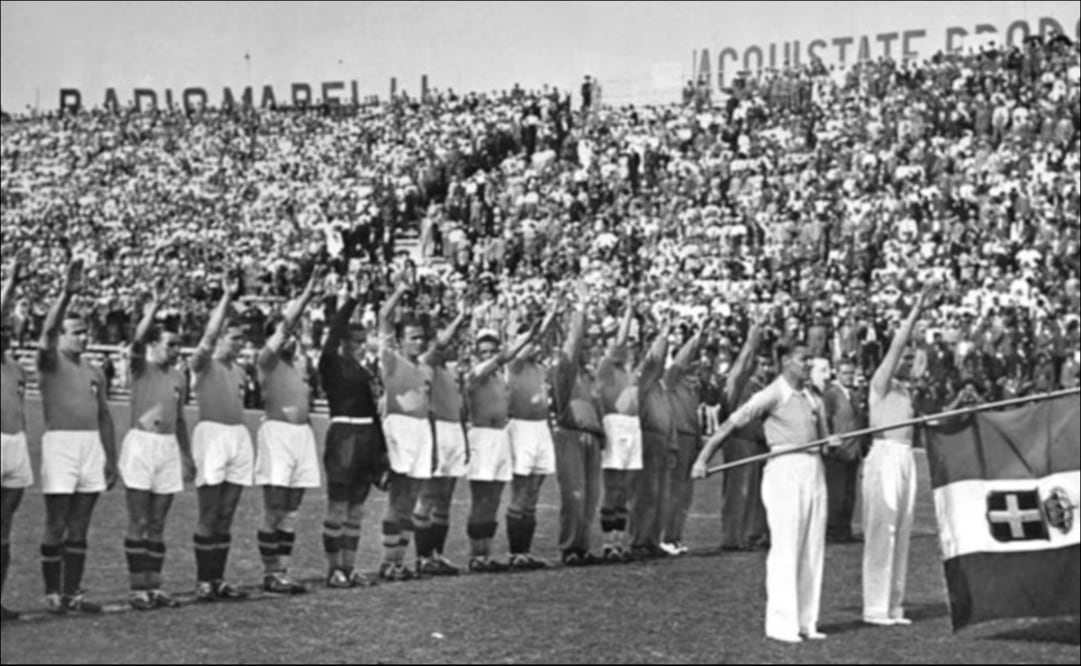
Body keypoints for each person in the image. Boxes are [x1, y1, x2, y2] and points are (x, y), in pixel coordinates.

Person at [693, 341, 840, 643]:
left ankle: (806, 622)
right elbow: (730, 424)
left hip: (814, 468)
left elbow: (823, 439)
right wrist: (702, 459)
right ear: (785, 361)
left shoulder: (814, 398)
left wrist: (830, 442)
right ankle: (781, 624)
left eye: (810, 359)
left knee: (812, 546)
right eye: (802, 359)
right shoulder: (771, 394)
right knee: (786, 545)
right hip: (784, 469)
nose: (807, 364)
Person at [37, 258, 118, 614]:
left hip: (90, 447)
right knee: (56, 520)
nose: (82, 337)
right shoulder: (50, 361)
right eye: (75, 332)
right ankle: (53, 591)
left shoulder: (95, 372)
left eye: (85, 332)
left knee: (81, 524)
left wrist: (111, 459)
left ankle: (73, 591)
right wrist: (67, 294)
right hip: (61, 444)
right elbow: (47, 331)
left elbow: (104, 416)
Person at [120, 277, 194, 610]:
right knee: (139, 519)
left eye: (179, 345)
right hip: (141, 445)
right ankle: (138, 589)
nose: (175, 351)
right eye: (170, 344)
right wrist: (154, 308)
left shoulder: (179, 376)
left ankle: (154, 585)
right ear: (154, 345)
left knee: (159, 522)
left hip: (166, 447)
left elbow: (179, 419)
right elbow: (136, 338)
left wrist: (187, 455)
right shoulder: (140, 366)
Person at [862, 285, 932, 626]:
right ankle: (875, 607)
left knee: (902, 531)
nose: (906, 362)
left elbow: (919, 358)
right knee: (883, 531)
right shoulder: (881, 383)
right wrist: (916, 309)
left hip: (905, 458)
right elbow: (897, 346)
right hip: (884, 457)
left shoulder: (905, 390)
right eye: (901, 359)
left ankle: (894, 605)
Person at [254, 267, 326, 595]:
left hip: (301, 436)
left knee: (292, 510)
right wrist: (308, 294)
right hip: (278, 435)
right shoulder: (266, 362)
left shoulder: (299, 368)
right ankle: (271, 572)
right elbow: (286, 326)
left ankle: (282, 570)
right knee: (275, 506)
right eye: (286, 336)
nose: (291, 339)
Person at [318, 269, 387, 589]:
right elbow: (332, 332)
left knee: (357, 509)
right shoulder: (331, 363)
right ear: (344, 342)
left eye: (364, 341)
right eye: (355, 341)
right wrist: (354, 299)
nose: (361, 346)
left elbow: (374, 412)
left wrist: (382, 452)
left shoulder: (364, 371)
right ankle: (334, 570)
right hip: (344, 437)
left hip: (367, 438)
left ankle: (349, 566)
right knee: (339, 505)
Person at [189, 272, 251, 602]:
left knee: (227, 514)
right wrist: (227, 298)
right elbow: (208, 336)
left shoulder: (239, 371)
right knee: (209, 512)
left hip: (237, 438)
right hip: (211, 436)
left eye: (242, 339)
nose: (239, 344)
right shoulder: (203, 364)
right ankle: (203, 580)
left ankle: (218, 578)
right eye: (234, 338)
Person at [463, 322, 538, 571]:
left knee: (494, 498)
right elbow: (505, 358)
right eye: (484, 352)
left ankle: (487, 551)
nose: (488, 356)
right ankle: (477, 555)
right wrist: (526, 336)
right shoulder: (474, 375)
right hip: (482, 436)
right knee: (481, 498)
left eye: (491, 351)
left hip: (500, 437)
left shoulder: (501, 379)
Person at [377, 277, 433, 582]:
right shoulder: (391, 360)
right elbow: (384, 318)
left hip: (421, 430)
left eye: (421, 337)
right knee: (398, 498)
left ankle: (400, 559)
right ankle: (388, 561)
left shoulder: (424, 368)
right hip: (399, 428)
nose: (419, 342)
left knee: (412, 499)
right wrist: (399, 290)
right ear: (400, 341)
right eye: (412, 337)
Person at [413, 301, 469, 577]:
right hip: (434, 431)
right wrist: (460, 317)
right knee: (427, 496)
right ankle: (422, 557)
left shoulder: (450, 371)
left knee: (445, 498)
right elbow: (438, 347)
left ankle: (437, 554)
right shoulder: (426, 364)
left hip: (453, 432)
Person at [552, 280, 604, 566]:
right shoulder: (565, 371)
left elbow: (597, 408)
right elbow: (571, 346)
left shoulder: (589, 377)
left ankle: (582, 546)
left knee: (590, 496)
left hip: (591, 438)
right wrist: (580, 309)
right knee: (574, 494)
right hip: (570, 435)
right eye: (584, 343)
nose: (587, 347)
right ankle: (570, 547)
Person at [505, 306, 560, 569]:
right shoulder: (513, 365)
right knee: (520, 490)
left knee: (534, 492)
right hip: (521, 428)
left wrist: (554, 314)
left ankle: (525, 552)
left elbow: (541, 342)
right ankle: (515, 553)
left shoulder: (539, 369)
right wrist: (542, 323)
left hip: (541, 428)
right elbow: (530, 342)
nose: (537, 346)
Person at [660, 314, 709, 555]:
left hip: (690, 439)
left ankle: (676, 536)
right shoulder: (672, 379)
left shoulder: (692, 388)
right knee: (673, 490)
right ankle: (665, 537)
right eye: (694, 364)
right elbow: (680, 360)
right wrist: (696, 338)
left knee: (685, 493)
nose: (697, 369)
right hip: (676, 437)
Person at [597, 301, 641, 562]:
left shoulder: (629, 372)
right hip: (614, 424)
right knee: (612, 486)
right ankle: (607, 543)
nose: (628, 348)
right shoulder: (605, 367)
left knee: (624, 488)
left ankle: (618, 541)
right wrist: (628, 312)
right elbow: (621, 341)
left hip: (632, 428)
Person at [718, 317, 767, 550]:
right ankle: (732, 537)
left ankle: (747, 535)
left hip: (757, 445)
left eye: (768, 365)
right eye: (761, 364)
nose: (765, 369)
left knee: (753, 494)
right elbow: (739, 369)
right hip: (740, 441)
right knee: (738, 491)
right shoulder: (739, 384)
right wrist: (751, 343)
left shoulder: (762, 388)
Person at [1, 253, 30, 621]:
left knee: (4, 527)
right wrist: (11, 281)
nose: (5, 334)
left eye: (8, 330)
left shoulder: (17, 369)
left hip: (16, 444)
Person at [628, 317, 671, 559]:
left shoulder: (657, 384)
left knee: (657, 494)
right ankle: (639, 540)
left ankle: (652, 539)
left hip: (660, 442)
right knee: (644, 493)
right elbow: (654, 362)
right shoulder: (640, 378)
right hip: (646, 438)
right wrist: (663, 338)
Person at [822, 357, 867, 544]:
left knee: (849, 493)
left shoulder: (855, 395)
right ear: (837, 374)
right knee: (836, 494)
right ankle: (833, 530)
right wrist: (829, 441)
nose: (849, 377)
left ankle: (845, 529)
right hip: (838, 451)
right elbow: (826, 419)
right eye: (845, 373)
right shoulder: (831, 395)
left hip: (854, 450)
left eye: (851, 373)